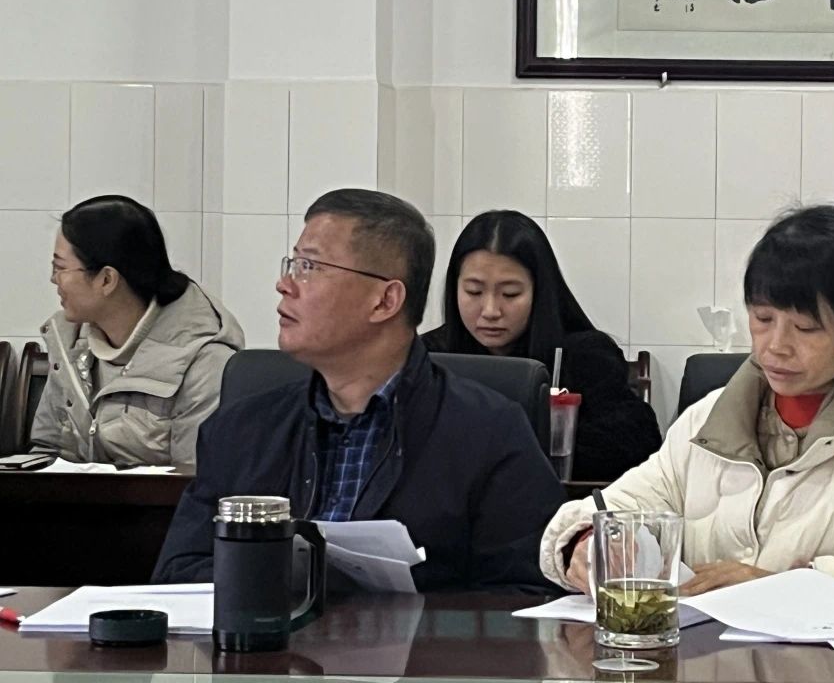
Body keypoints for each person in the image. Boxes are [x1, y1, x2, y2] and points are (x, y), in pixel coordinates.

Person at [540, 206, 834, 603]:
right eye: (762, 319)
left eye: (806, 328)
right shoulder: (705, 424)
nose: (776, 346)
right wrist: (585, 542)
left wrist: (782, 591)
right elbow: (617, 510)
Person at [153, 189, 564, 593]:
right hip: (267, 639)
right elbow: (177, 574)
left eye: (310, 267)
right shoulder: (242, 431)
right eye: (293, 264)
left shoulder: (489, 432)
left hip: (421, 640)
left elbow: (528, 594)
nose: (285, 284)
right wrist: (293, 584)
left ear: (385, 300)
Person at [423, 210, 661, 482]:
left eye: (510, 294)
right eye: (474, 292)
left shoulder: (586, 354)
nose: (490, 310)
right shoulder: (430, 354)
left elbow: (638, 445)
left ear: (540, 292)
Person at [32, 195, 244, 467]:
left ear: (107, 279)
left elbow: (194, 479)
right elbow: (44, 453)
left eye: (60, 268)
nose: (53, 279)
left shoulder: (202, 361)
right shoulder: (68, 341)